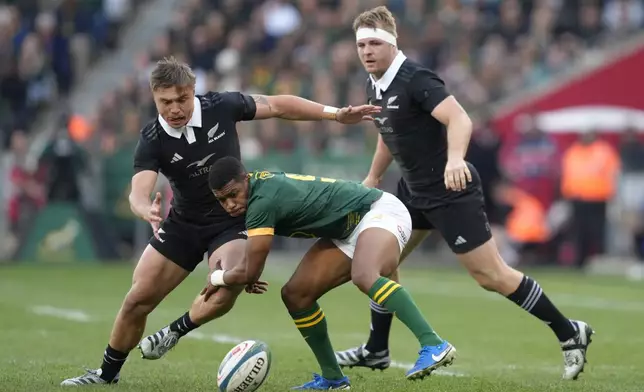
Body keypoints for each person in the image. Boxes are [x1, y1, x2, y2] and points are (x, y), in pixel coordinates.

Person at [61, 56, 380, 386]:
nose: (174, 109)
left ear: (193, 91)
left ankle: (176, 330)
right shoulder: (152, 137)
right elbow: (138, 190)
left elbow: (276, 105)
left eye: (182, 99)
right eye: (165, 102)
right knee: (137, 299)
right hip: (184, 223)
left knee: (231, 281)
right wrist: (145, 209)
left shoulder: (220, 106)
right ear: (154, 97)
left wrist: (334, 114)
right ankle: (105, 375)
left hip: (230, 221)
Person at [333, 6, 593, 381]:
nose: (367, 51)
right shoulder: (374, 82)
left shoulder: (416, 78)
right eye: (361, 45)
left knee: (491, 276)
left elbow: (459, 118)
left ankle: (571, 333)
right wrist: (373, 176)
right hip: (413, 190)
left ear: (392, 43)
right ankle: (377, 349)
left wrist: (456, 159)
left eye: (374, 43)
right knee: (378, 264)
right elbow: (390, 133)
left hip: (449, 189)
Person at [203, 156, 456, 390]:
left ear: (245, 179)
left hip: (377, 211)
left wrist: (217, 277)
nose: (230, 204)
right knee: (296, 295)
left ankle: (433, 344)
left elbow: (249, 272)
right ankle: (333, 379)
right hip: (346, 230)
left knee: (364, 275)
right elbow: (250, 270)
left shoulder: (261, 202)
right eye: (222, 200)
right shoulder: (257, 191)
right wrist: (246, 273)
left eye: (233, 195)